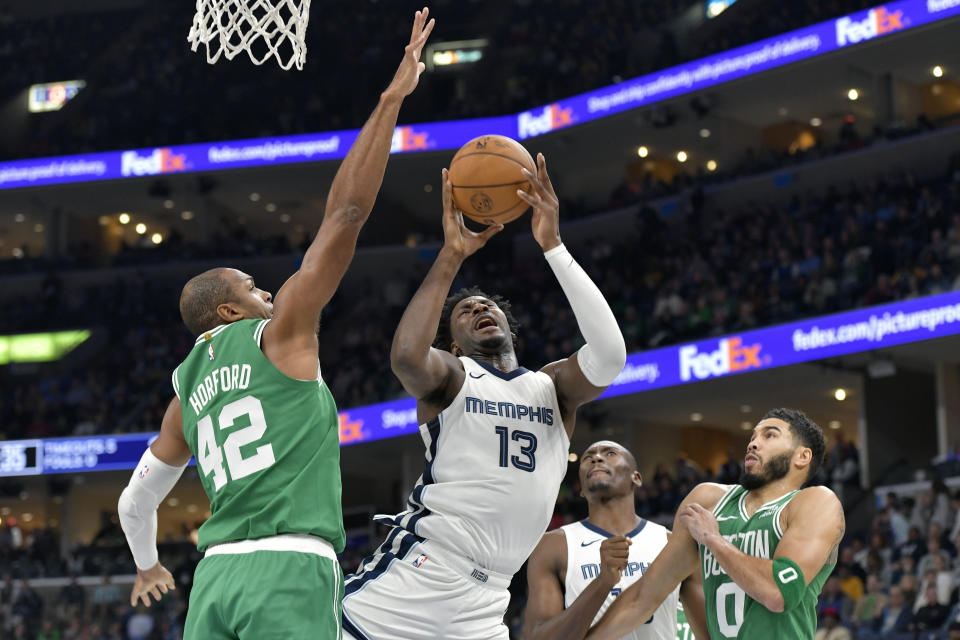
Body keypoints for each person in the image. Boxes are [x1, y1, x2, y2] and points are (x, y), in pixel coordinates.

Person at [115, 8, 436, 639]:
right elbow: (345, 214)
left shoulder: (183, 395)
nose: (268, 292)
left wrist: (148, 566)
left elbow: (134, 502)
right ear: (229, 311)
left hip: (214, 582)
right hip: (289, 567)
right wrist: (390, 101)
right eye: (253, 287)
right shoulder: (278, 332)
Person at [341, 155, 627, 639]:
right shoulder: (454, 376)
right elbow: (408, 357)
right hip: (416, 578)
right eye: (465, 311)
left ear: (508, 325)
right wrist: (452, 255)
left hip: (489, 599)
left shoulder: (551, 388)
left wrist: (553, 245)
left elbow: (610, 356)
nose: (478, 308)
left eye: (486, 305)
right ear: (453, 346)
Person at [585, 408, 845, 640]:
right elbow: (644, 597)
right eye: (753, 437)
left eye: (769, 435)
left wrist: (713, 540)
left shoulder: (815, 503)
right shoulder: (706, 500)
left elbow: (778, 593)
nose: (753, 444)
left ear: (802, 456)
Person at [522, 440, 708, 640]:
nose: (597, 458)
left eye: (610, 453)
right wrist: (603, 582)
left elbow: (709, 632)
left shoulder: (671, 544)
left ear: (636, 478)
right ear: (581, 489)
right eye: (588, 458)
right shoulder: (553, 546)